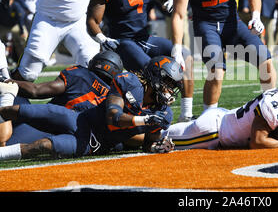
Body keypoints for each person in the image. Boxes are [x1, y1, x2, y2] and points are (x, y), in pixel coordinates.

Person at [87, 0, 194, 122]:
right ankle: (159, 119)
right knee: (155, 72)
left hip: (145, 37)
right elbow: (92, 21)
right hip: (122, 41)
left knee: (185, 54)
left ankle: (187, 114)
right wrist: (102, 38)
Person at [0, 56, 182, 160]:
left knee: (45, 145)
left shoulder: (163, 112)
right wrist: (144, 119)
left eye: (172, 86)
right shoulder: (129, 83)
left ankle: (2, 155)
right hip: (81, 120)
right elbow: (113, 117)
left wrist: (157, 147)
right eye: (167, 82)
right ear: (155, 76)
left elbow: (148, 143)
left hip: (94, 143)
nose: (169, 90)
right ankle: (3, 106)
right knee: (32, 111)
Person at [171, 0, 277, 112]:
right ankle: (208, 118)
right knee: (216, 71)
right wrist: (176, 46)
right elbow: (178, 13)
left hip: (232, 22)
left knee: (266, 61)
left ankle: (271, 109)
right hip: (206, 25)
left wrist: (256, 15)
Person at [0, 51, 123, 146]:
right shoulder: (113, 96)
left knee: (6, 142)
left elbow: (36, 91)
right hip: (69, 135)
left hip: (41, 125)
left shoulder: (81, 74)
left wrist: (6, 80)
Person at [160, 78, 278, 150]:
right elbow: (258, 142)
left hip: (223, 119)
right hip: (212, 132)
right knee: (160, 138)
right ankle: (136, 131)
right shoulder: (274, 110)